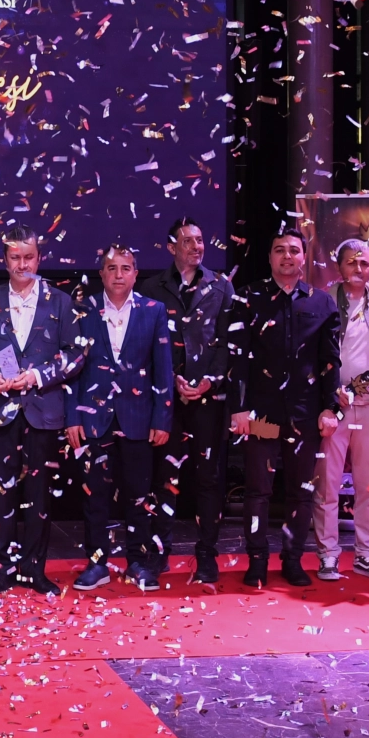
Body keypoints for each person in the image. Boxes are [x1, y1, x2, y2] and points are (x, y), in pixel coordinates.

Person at [0, 225, 86, 596]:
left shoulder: (60, 301)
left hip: (42, 410)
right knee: (1, 494)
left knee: (39, 496)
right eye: (15, 257)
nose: (23, 264)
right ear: (5, 260)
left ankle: (34, 569)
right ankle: (2, 570)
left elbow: (76, 352)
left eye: (29, 257)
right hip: (0, 411)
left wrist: (36, 376)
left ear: (39, 257)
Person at [224, 229, 342, 589]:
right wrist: (239, 408)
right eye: (279, 250)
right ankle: (257, 561)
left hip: (305, 414)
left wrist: (330, 409)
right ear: (270, 257)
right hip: (261, 414)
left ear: (304, 257)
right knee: (258, 490)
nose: (287, 256)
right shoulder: (247, 298)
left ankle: (292, 560)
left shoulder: (323, 304)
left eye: (293, 250)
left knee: (300, 492)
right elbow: (236, 358)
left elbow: (330, 361)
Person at [68, 244, 174, 591]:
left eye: (125, 268)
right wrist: (72, 416)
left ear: (135, 274)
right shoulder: (81, 310)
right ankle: (97, 564)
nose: (118, 275)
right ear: (101, 274)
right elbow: (71, 369)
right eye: (111, 268)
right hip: (93, 417)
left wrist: (162, 418)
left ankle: (138, 563)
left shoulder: (154, 310)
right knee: (94, 497)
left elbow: (163, 368)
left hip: (139, 418)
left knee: (139, 496)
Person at [138, 217, 234, 585]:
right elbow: (146, 344)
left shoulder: (221, 286)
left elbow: (228, 341)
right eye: (188, 241)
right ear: (171, 247)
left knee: (208, 479)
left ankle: (207, 556)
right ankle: (158, 553)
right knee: (164, 479)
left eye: (200, 240)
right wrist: (171, 379)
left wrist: (210, 381)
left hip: (209, 400)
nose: (197, 246)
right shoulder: (152, 288)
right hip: (168, 400)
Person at [312, 239, 369, 583]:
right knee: (327, 485)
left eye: (364, 263)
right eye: (351, 262)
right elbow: (313, 355)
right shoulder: (322, 302)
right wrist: (329, 393)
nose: (358, 269)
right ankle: (328, 555)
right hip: (334, 406)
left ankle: (366, 554)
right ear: (339, 267)